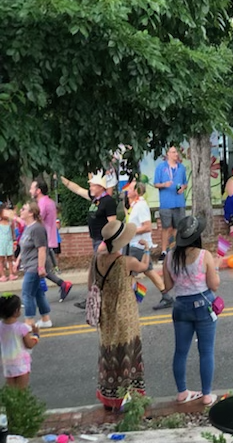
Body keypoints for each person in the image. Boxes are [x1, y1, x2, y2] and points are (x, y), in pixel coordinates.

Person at [163, 216, 221, 407]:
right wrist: (216, 271)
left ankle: (182, 392)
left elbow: (168, 285)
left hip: (180, 308)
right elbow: (214, 285)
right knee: (206, 352)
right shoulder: (204, 256)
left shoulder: (170, 257)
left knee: (180, 352)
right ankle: (206, 395)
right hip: (203, 307)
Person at [92, 220, 148, 410]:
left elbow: (92, 283)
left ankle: (109, 396)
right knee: (127, 353)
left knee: (109, 352)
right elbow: (144, 267)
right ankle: (127, 396)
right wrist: (147, 249)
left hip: (106, 313)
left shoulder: (97, 260)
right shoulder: (126, 262)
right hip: (125, 313)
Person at [125, 181, 174, 310]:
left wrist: (128, 232)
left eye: (130, 188)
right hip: (137, 245)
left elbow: (147, 227)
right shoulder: (135, 206)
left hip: (138, 245)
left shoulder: (140, 206)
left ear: (136, 191)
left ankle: (137, 293)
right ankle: (166, 296)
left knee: (126, 272)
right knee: (148, 271)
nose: (127, 191)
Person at [30, 178, 73, 301]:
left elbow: (36, 221)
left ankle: (32, 295)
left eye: (32, 188)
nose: (30, 190)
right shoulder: (49, 201)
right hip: (47, 239)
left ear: (38, 191)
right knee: (43, 269)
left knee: (39, 268)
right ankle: (63, 284)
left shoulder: (42, 203)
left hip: (42, 240)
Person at [13, 202, 53, 329]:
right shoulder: (28, 227)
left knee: (27, 293)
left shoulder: (37, 229)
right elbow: (25, 247)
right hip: (28, 264)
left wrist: (40, 267)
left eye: (23, 209)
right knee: (37, 292)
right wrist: (18, 260)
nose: (21, 211)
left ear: (31, 213)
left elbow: (42, 249)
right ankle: (45, 319)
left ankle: (29, 321)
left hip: (34, 266)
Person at [60, 173, 117, 251]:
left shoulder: (108, 201)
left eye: (93, 186)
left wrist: (105, 242)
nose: (90, 188)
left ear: (100, 187)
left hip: (102, 241)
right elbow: (78, 190)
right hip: (95, 239)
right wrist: (64, 180)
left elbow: (112, 225)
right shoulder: (95, 198)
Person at [154, 146, 189, 260]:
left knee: (177, 227)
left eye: (176, 152)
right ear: (168, 154)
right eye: (173, 152)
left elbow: (185, 183)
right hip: (166, 203)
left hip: (179, 202)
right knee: (165, 228)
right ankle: (164, 251)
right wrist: (164, 185)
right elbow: (156, 184)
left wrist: (182, 188)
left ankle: (175, 248)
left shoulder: (181, 167)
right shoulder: (161, 167)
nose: (176, 154)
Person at [0, 294, 40, 389]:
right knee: (21, 392)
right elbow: (29, 344)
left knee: (12, 392)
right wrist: (36, 335)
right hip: (21, 363)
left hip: (7, 363)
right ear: (16, 311)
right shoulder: (21, 327)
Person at [0, 203, 18, 281]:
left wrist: (14, 242)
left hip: (9, 242)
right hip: (1, 243)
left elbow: (13, 233)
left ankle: (11, 274)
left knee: (10, 258)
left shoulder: (10, 223)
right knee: (1, 259)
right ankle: (3, 275)